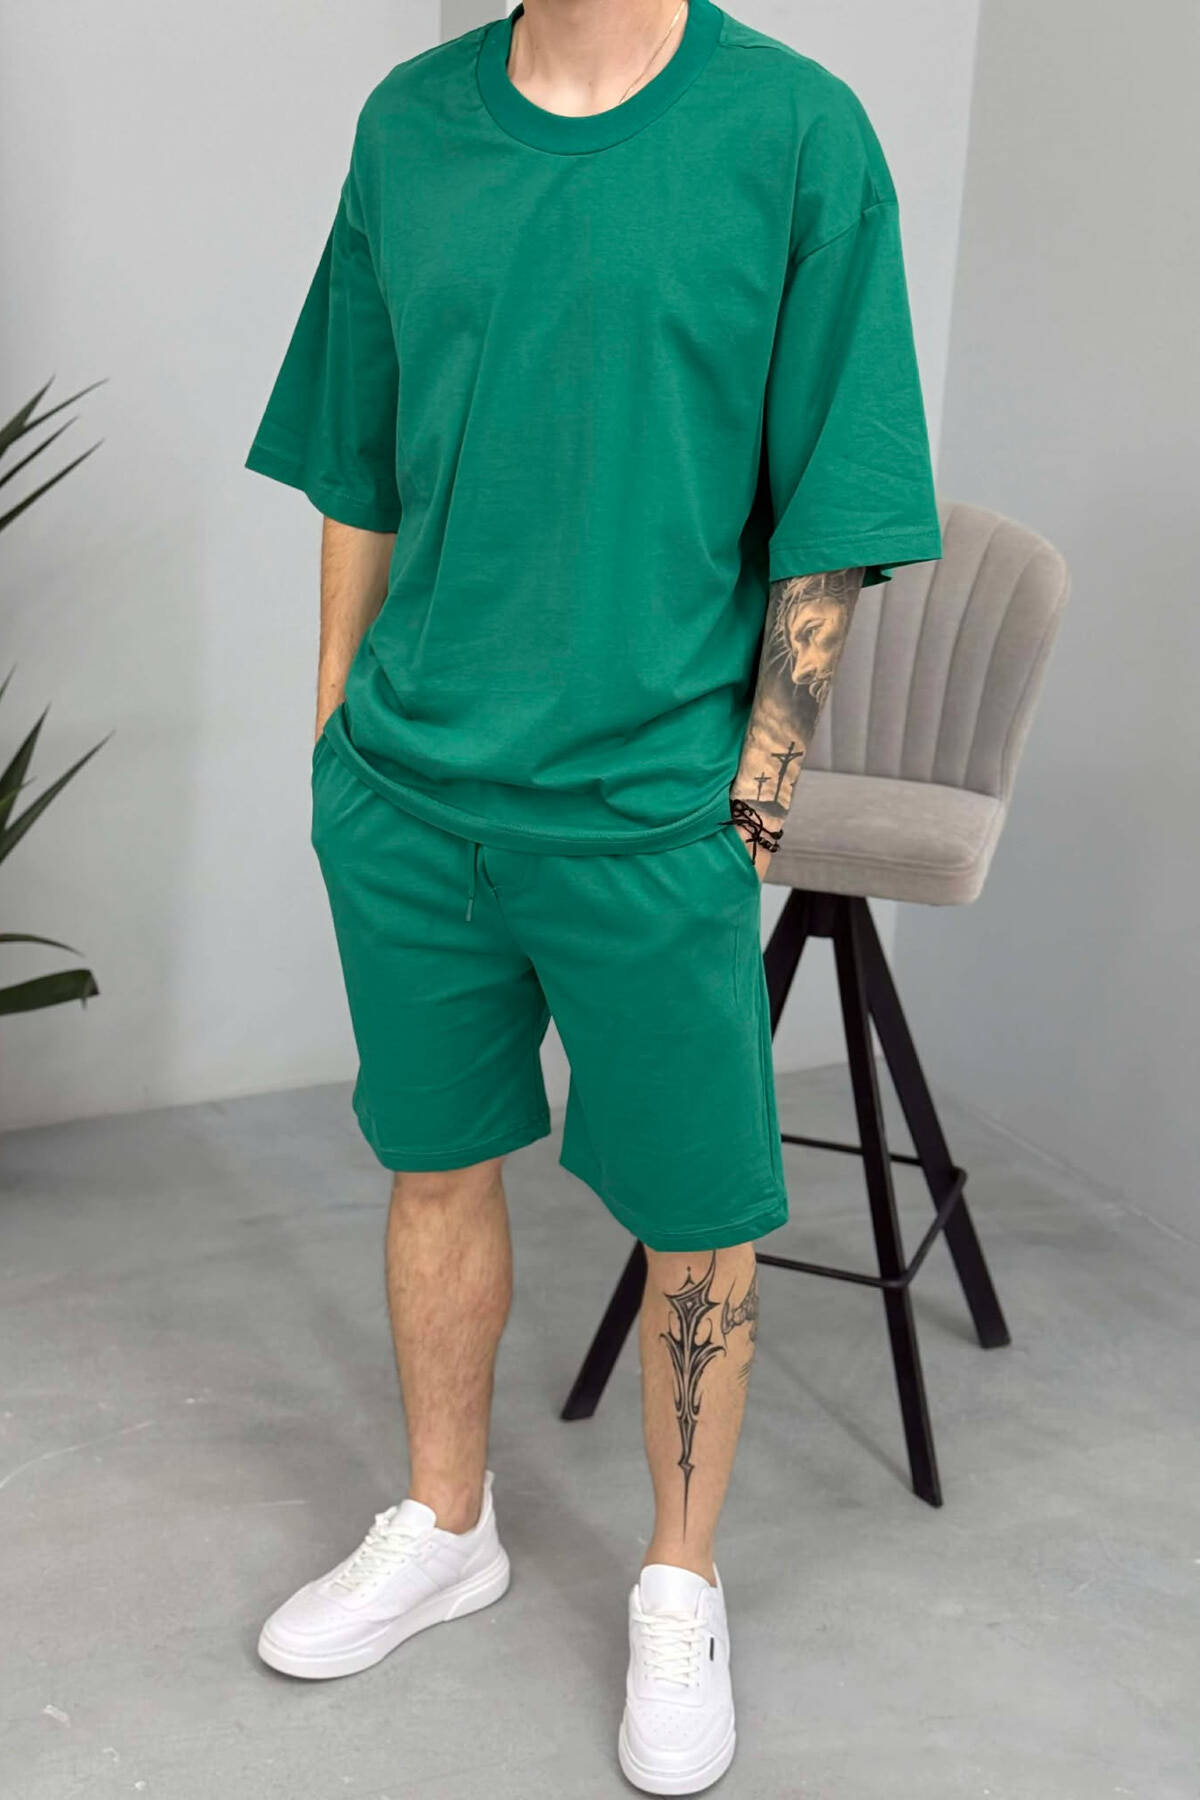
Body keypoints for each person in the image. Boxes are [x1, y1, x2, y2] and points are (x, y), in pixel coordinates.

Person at [244, 1, 941, 1789]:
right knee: (432, 1162)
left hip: (652, 814)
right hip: (411, 794)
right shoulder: (411, 124)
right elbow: (358, 451)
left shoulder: (794, 132)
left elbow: (839, 501)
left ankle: (679, 1581)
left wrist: (753, 806)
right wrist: (332, 729)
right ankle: (445, 1522)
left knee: (697, 1217)